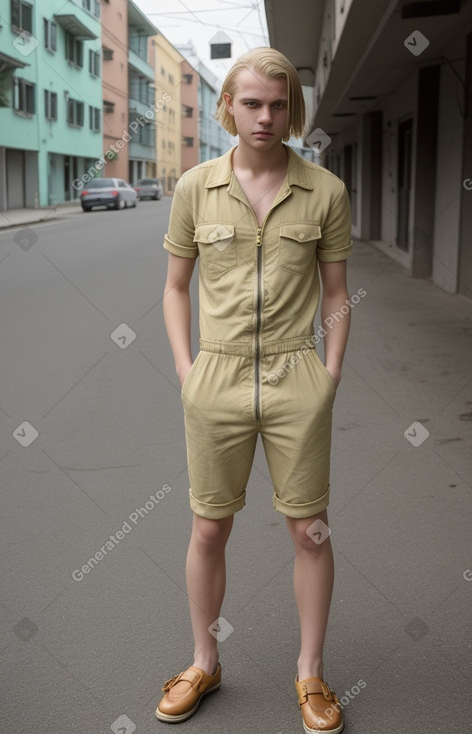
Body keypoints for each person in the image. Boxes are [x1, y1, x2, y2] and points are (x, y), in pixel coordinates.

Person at [156, 47, 352, 734]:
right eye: (250, 103)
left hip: (297, 376)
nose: (264, 117)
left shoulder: (323, 191)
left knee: (309, 529)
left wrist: (327, 376)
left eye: (276, 104)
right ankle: (203, 660)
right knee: (209, 526)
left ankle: (310, 674)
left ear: (289, 109)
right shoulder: (193, 188)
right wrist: (187, 370)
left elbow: (336, 295)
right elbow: (175, 288)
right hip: (216, 374)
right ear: (228, 107)